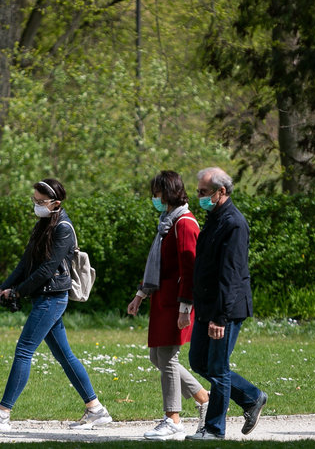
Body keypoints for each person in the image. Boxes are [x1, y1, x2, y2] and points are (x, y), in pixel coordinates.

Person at [0, 178, 113, 432]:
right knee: (64, 355)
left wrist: (17, 292)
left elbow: (48, 269)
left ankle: (3, 414)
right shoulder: (44, 224)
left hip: (52, 298)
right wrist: (2, 288)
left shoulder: (64, 228)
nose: (36, 205)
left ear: (56, 203)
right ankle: (96, 410)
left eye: (41, 202)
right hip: (44, 298)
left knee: (24, 350)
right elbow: (26, 262)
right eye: (34, 200)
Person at [127, 170, 210, 439]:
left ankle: (173, 419)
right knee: (157, 357)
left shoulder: (184, 223)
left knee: (169, 358)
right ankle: (203, 396)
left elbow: (190, 269)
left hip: (177, 303)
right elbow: (158, 266)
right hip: (163, 301)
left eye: (157, 193)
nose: (155, 198)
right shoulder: (167, 222)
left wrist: (185, 308)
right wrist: (141, 294)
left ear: (169, 192)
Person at [187, 167, 268, 440]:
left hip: (226, 309)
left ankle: (214, 430)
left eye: (203, 192)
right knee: (199, 361)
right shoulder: (214, 217)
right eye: (198, 191)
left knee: (218, 368)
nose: (198, 196)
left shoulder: (234, 223)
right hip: (207, 305)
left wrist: (219, 318)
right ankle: (251, 397)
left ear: (221, 192)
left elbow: (230, 276)